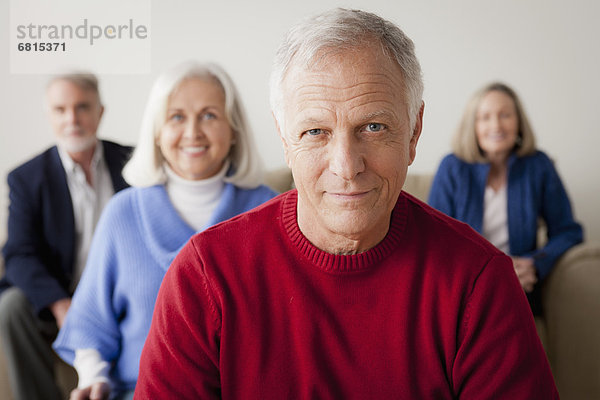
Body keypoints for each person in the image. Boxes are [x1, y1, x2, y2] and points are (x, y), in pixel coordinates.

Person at [135, 9, 558, 399]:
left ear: (414, 132)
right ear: (284, 138)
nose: (347, 166)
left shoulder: (479, 283)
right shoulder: (204, 277)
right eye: (316, 131)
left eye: (374, 127)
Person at [52, 61, 276, 400]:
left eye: (209, 115)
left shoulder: (270, 212)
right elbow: (91, 322)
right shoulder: (123, 213)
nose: (192, 133)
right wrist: (93, 377)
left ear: (234, 129)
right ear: (157, 132)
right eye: (176, 117)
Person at [0, 73, 132, 400]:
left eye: (82, 107)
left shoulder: (135, 162)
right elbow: (18, 253)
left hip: (120, 292)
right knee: (11, 307)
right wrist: (61, 305)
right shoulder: (26, 178)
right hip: (61, 294)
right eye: (60, 109)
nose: (72, 119)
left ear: (100, 111)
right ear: (49, 115)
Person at [428, 82, 583, 316]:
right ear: (473, 126)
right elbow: (434, 241)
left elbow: (568, 231)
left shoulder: (538, 166)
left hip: (520, 287)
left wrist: (534, 264)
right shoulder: (451, 167)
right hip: (465, 286)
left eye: (505, 115)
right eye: (485, 117)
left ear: (518, 122)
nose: (496, 125)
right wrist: (483, 276)